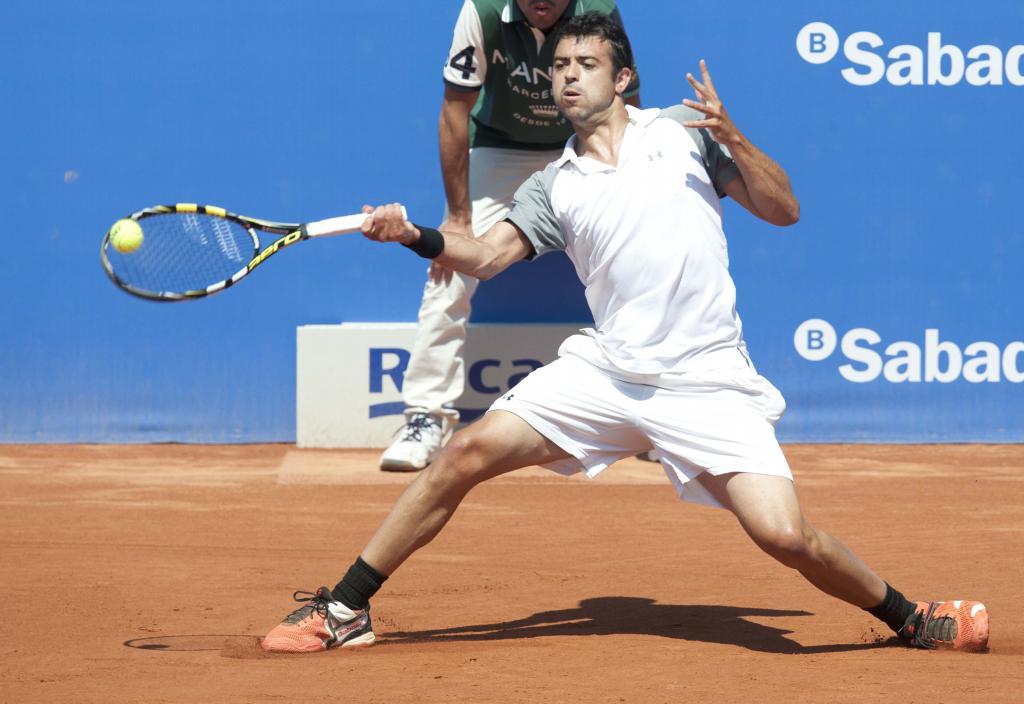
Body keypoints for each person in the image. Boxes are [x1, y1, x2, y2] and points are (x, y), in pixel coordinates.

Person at [264, 13, 989, 653]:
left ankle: (910, 616)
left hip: (707, 382)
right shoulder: (554, 184)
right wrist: (416, 235)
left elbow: (784, 209)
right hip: (608, 375)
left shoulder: (680, 133)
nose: (567, 79)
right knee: (465, 452)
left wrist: (734, 136)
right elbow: (484, 258)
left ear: (623, 77)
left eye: (585, 66)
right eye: (559, 68)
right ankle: (344, 607)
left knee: (784, 537)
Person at [379, 0, 640, 472]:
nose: (542, 3)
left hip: (582, 142)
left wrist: (631, 182)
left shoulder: (600, 9)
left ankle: (649, 413)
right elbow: (455, 111)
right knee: (449, 267)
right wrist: (458, 217)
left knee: (638, 261)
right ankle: (426, 416)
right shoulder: (479, 13)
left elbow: (627, 102)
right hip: (498, 150)